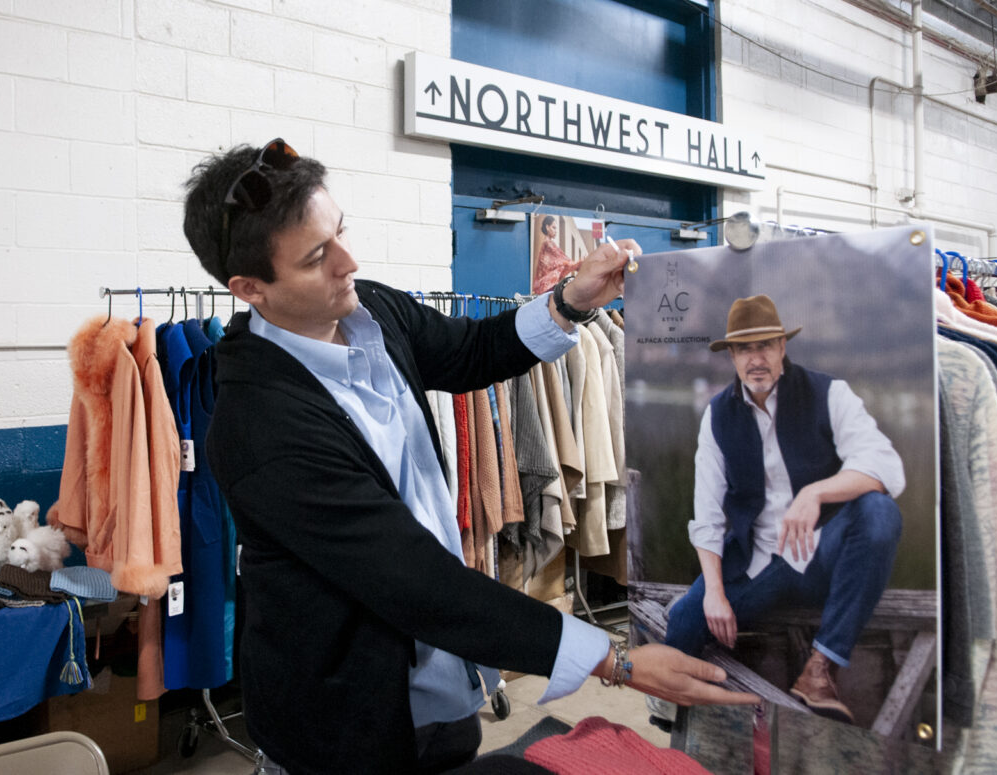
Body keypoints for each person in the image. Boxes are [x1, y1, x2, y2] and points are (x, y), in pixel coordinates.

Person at [182, 138, 757, 774]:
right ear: (250, 288)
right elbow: (417, 582)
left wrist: (572, 300)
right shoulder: (261, 426)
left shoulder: (370, 310)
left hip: (440, 681)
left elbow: (470, 352)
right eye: (318, 257)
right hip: (346, 716)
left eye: (340, 232)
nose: (348, 260)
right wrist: (614, 662)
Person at [663, 294, 905, 724]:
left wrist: (816, 494)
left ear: (782, 347)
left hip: (823, 557)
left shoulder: (829, 393)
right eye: (744, 349)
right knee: (684, 617)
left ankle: (820, 668)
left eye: (765, 346)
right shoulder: (718, 415)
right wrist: (715, 593)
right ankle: (677, 717)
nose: (756, 359)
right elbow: (707, 517)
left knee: (879, 512)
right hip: (760, 565)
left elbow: (888, 468)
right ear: (732, 357)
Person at [531, 214, 580, 294]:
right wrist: (577, 264)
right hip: (547, 286)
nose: (556, 231)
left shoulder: (546, 243)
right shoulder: (548, 243)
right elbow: (562, 259)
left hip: (543, 286)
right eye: (553, 227)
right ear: (547, 227)